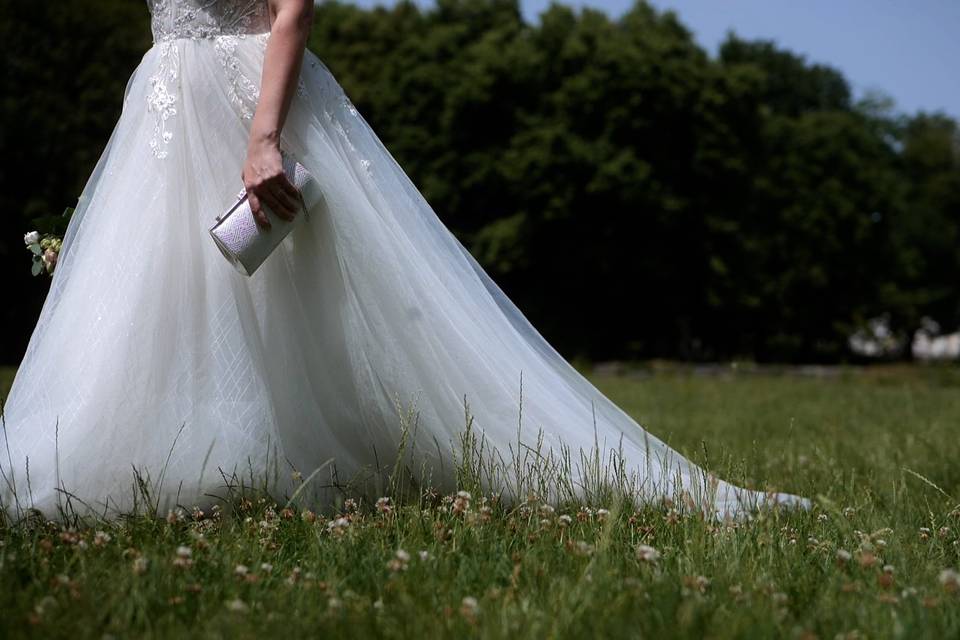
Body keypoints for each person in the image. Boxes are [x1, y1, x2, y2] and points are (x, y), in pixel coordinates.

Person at [0, 0, 810, 521]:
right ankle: (172, 459)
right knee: (166, 290)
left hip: (252, 100)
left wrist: (264, 138)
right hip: (165, 106)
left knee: (306, 297)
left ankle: (294, 460)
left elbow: (292, 10)